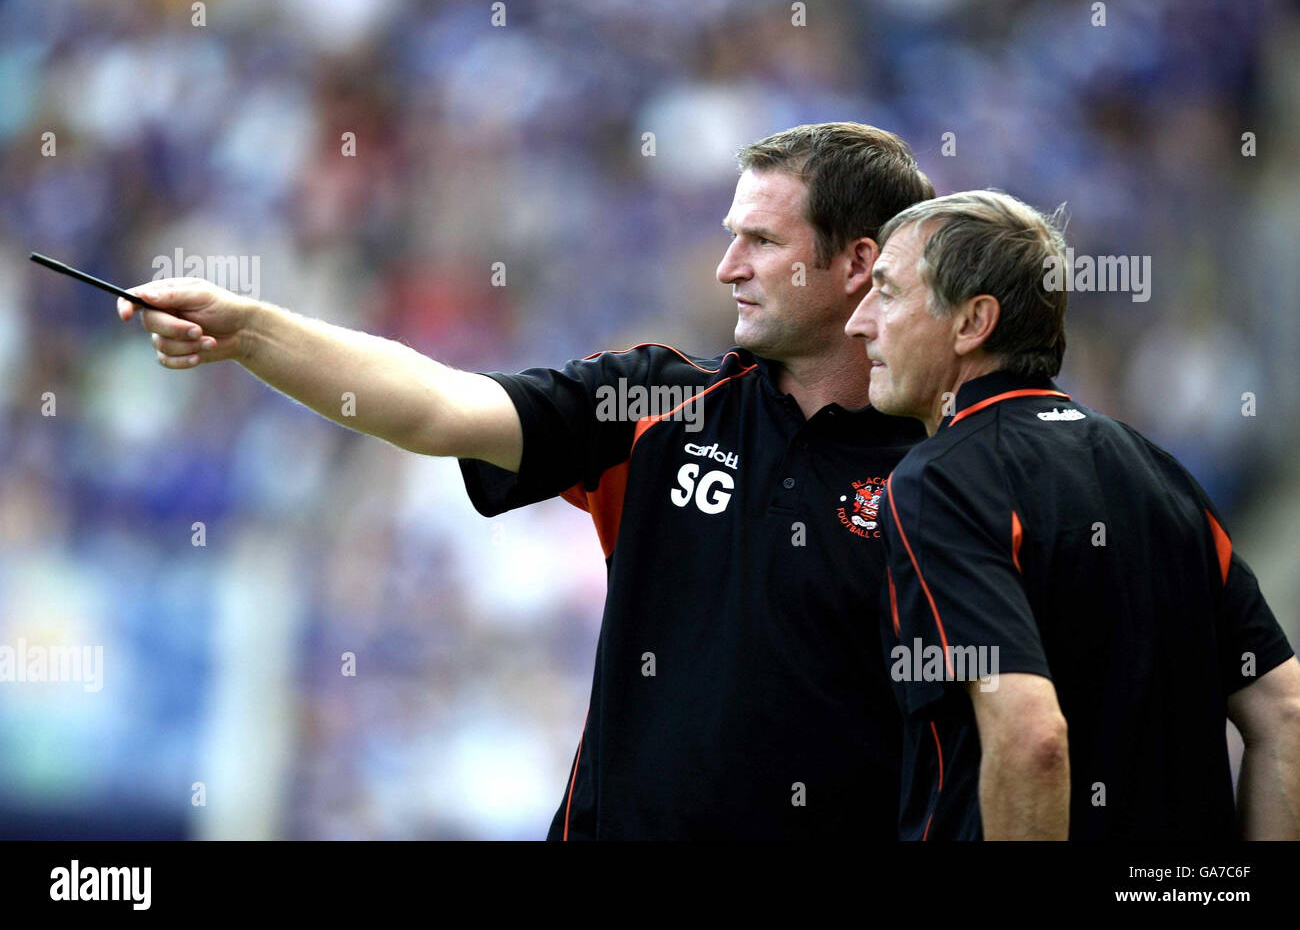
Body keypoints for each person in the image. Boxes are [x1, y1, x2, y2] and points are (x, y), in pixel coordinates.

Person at [118, 122, 935, 839]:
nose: (727, 267)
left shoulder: (946, 472)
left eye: (761, 240)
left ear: (858, 262)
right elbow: (439, 404)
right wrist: (250, 329)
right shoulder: (657, 402)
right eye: (731, 236)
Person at [844, 189, 1300, 840]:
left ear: (973, 323)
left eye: (885, 293)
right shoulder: (1158, 469)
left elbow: (1032, 737)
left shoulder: (939, 482)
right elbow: (1285, 713)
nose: (858, 323)